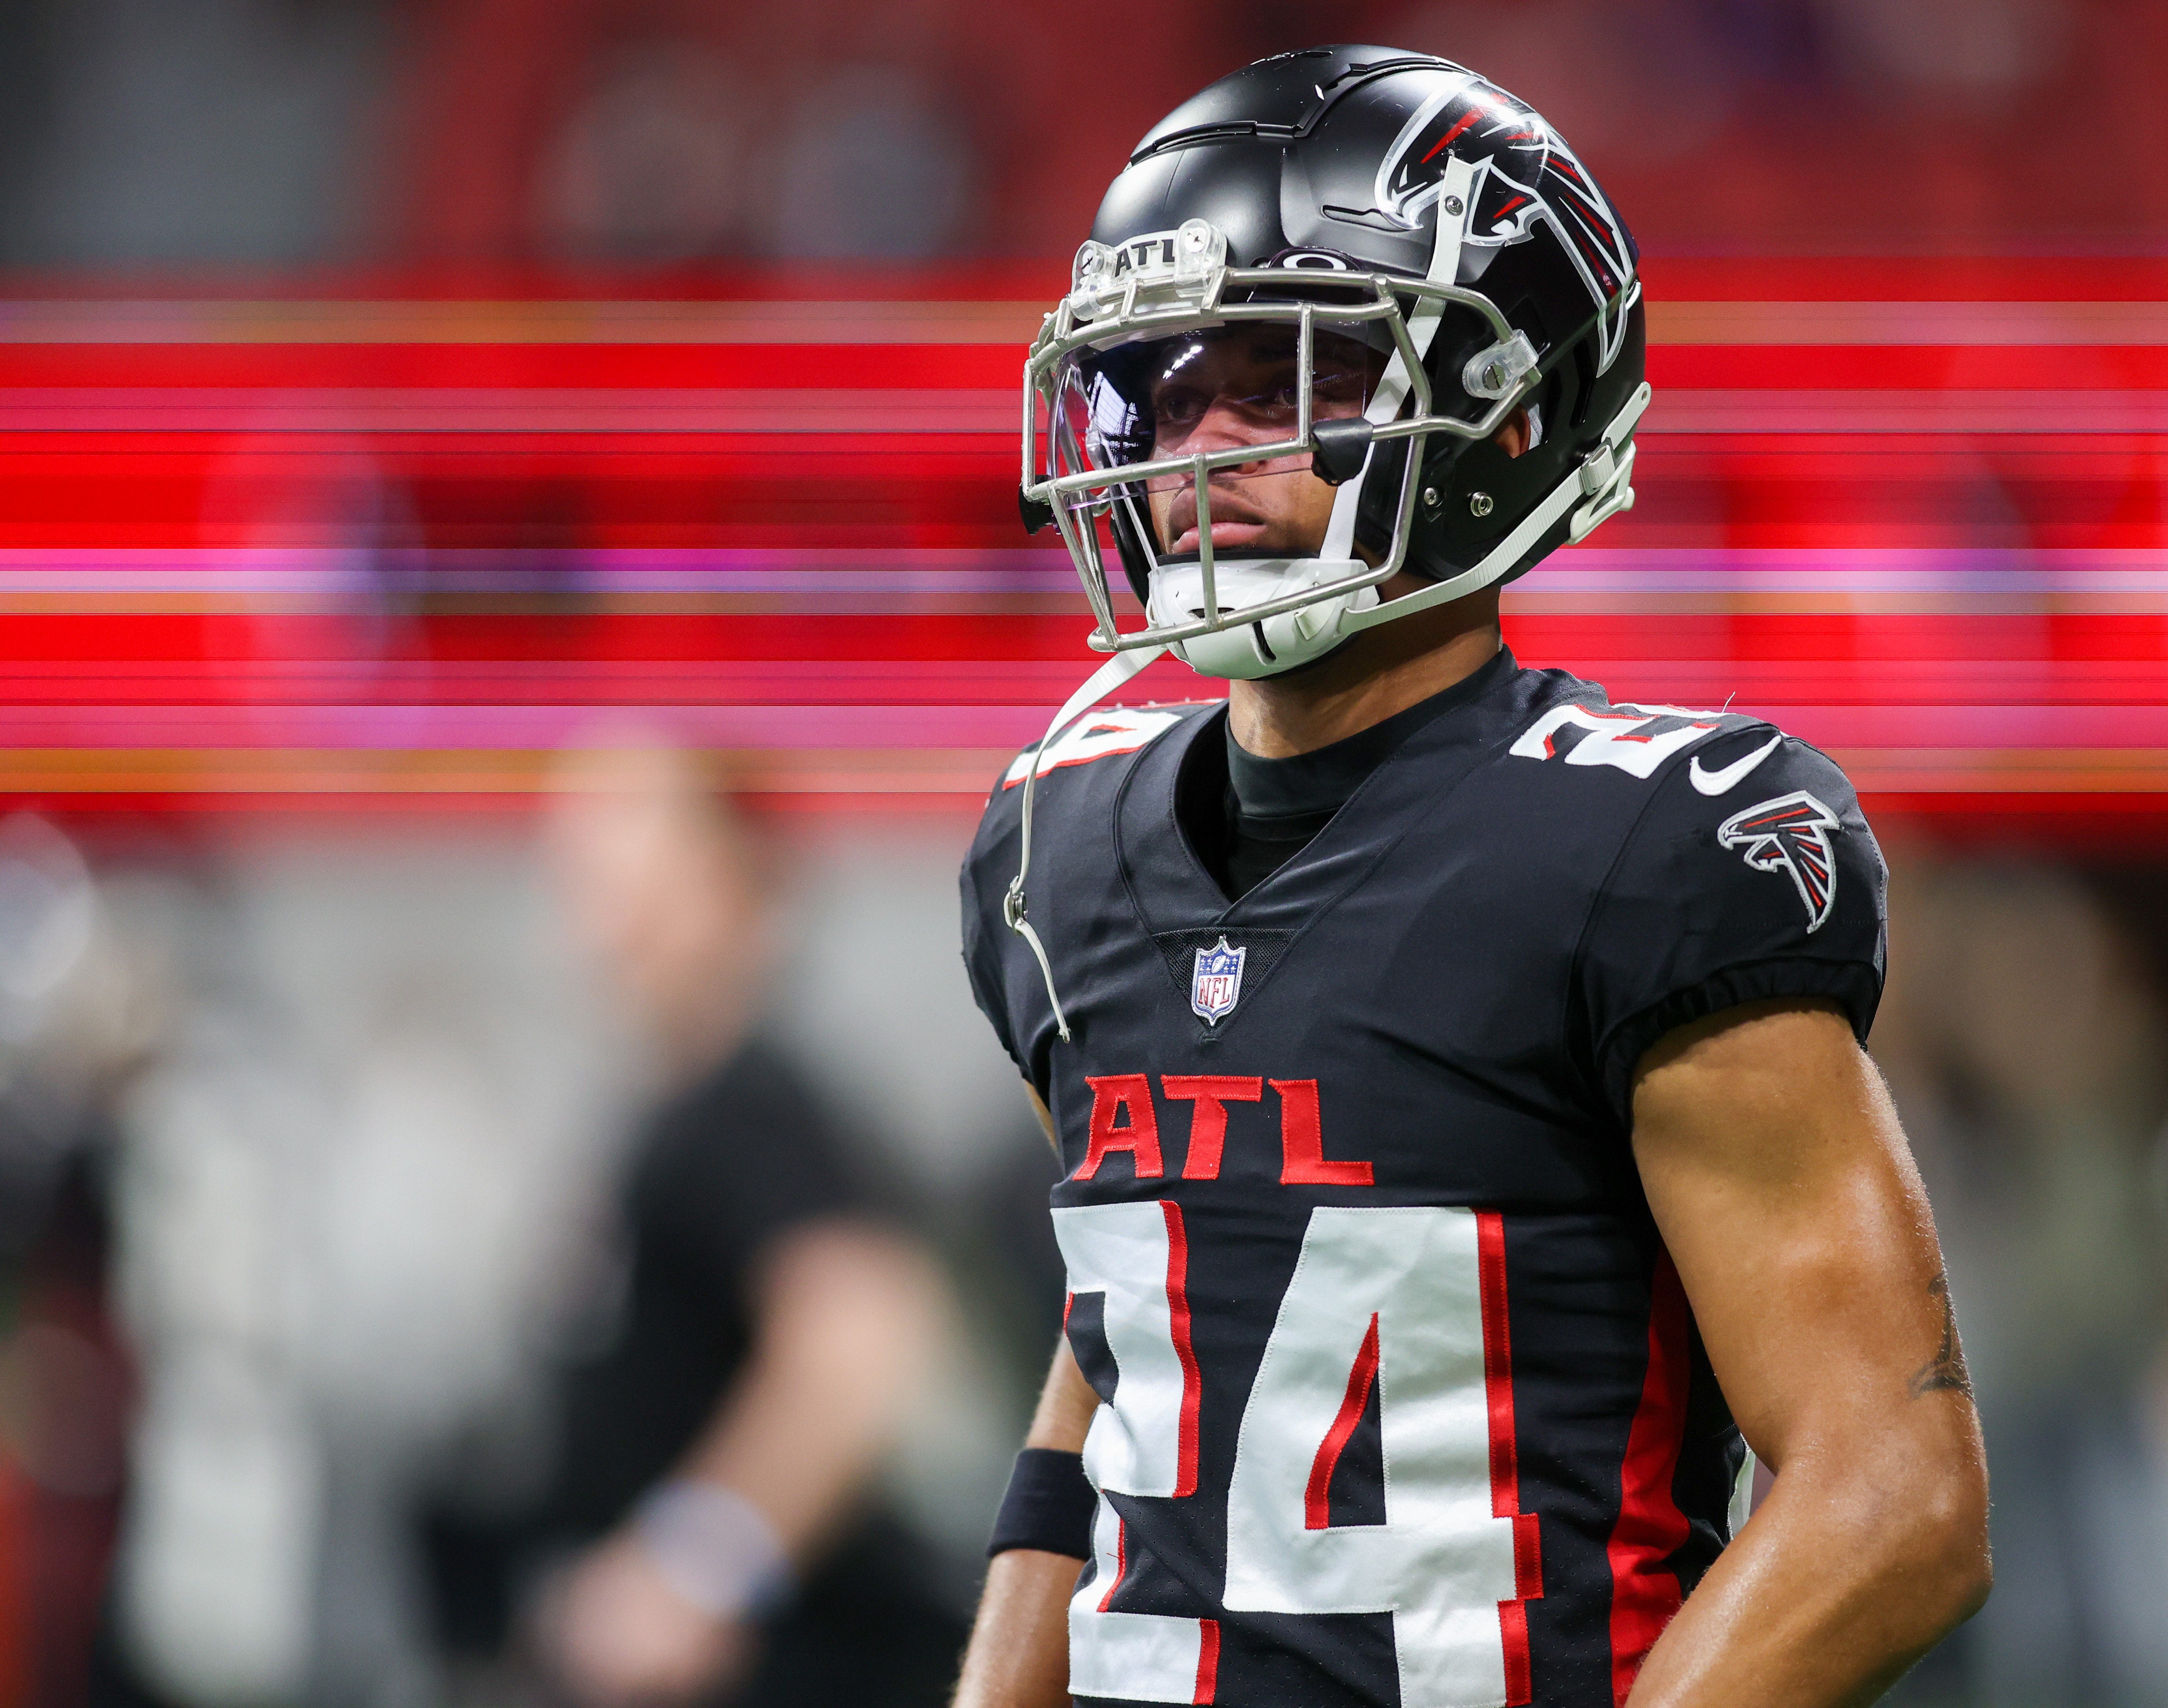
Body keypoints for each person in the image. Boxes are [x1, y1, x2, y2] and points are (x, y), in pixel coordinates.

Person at [955, 45, 1988, 1708]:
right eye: (1166, 379)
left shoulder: (1644, 844)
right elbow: (1122, 1353)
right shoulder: (1051, 844)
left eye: (1293, 378)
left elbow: (1897, 1493)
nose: (1200, 438)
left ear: (1507, 406)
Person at [434, 741, 964, 1708]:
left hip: (792, 1664)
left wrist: (691, 1571)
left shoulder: (756, 1104)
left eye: (643, 885)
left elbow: (860, 1344)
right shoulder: (666, 1109)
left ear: (738, 891)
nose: (607, 924)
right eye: (588, 883)